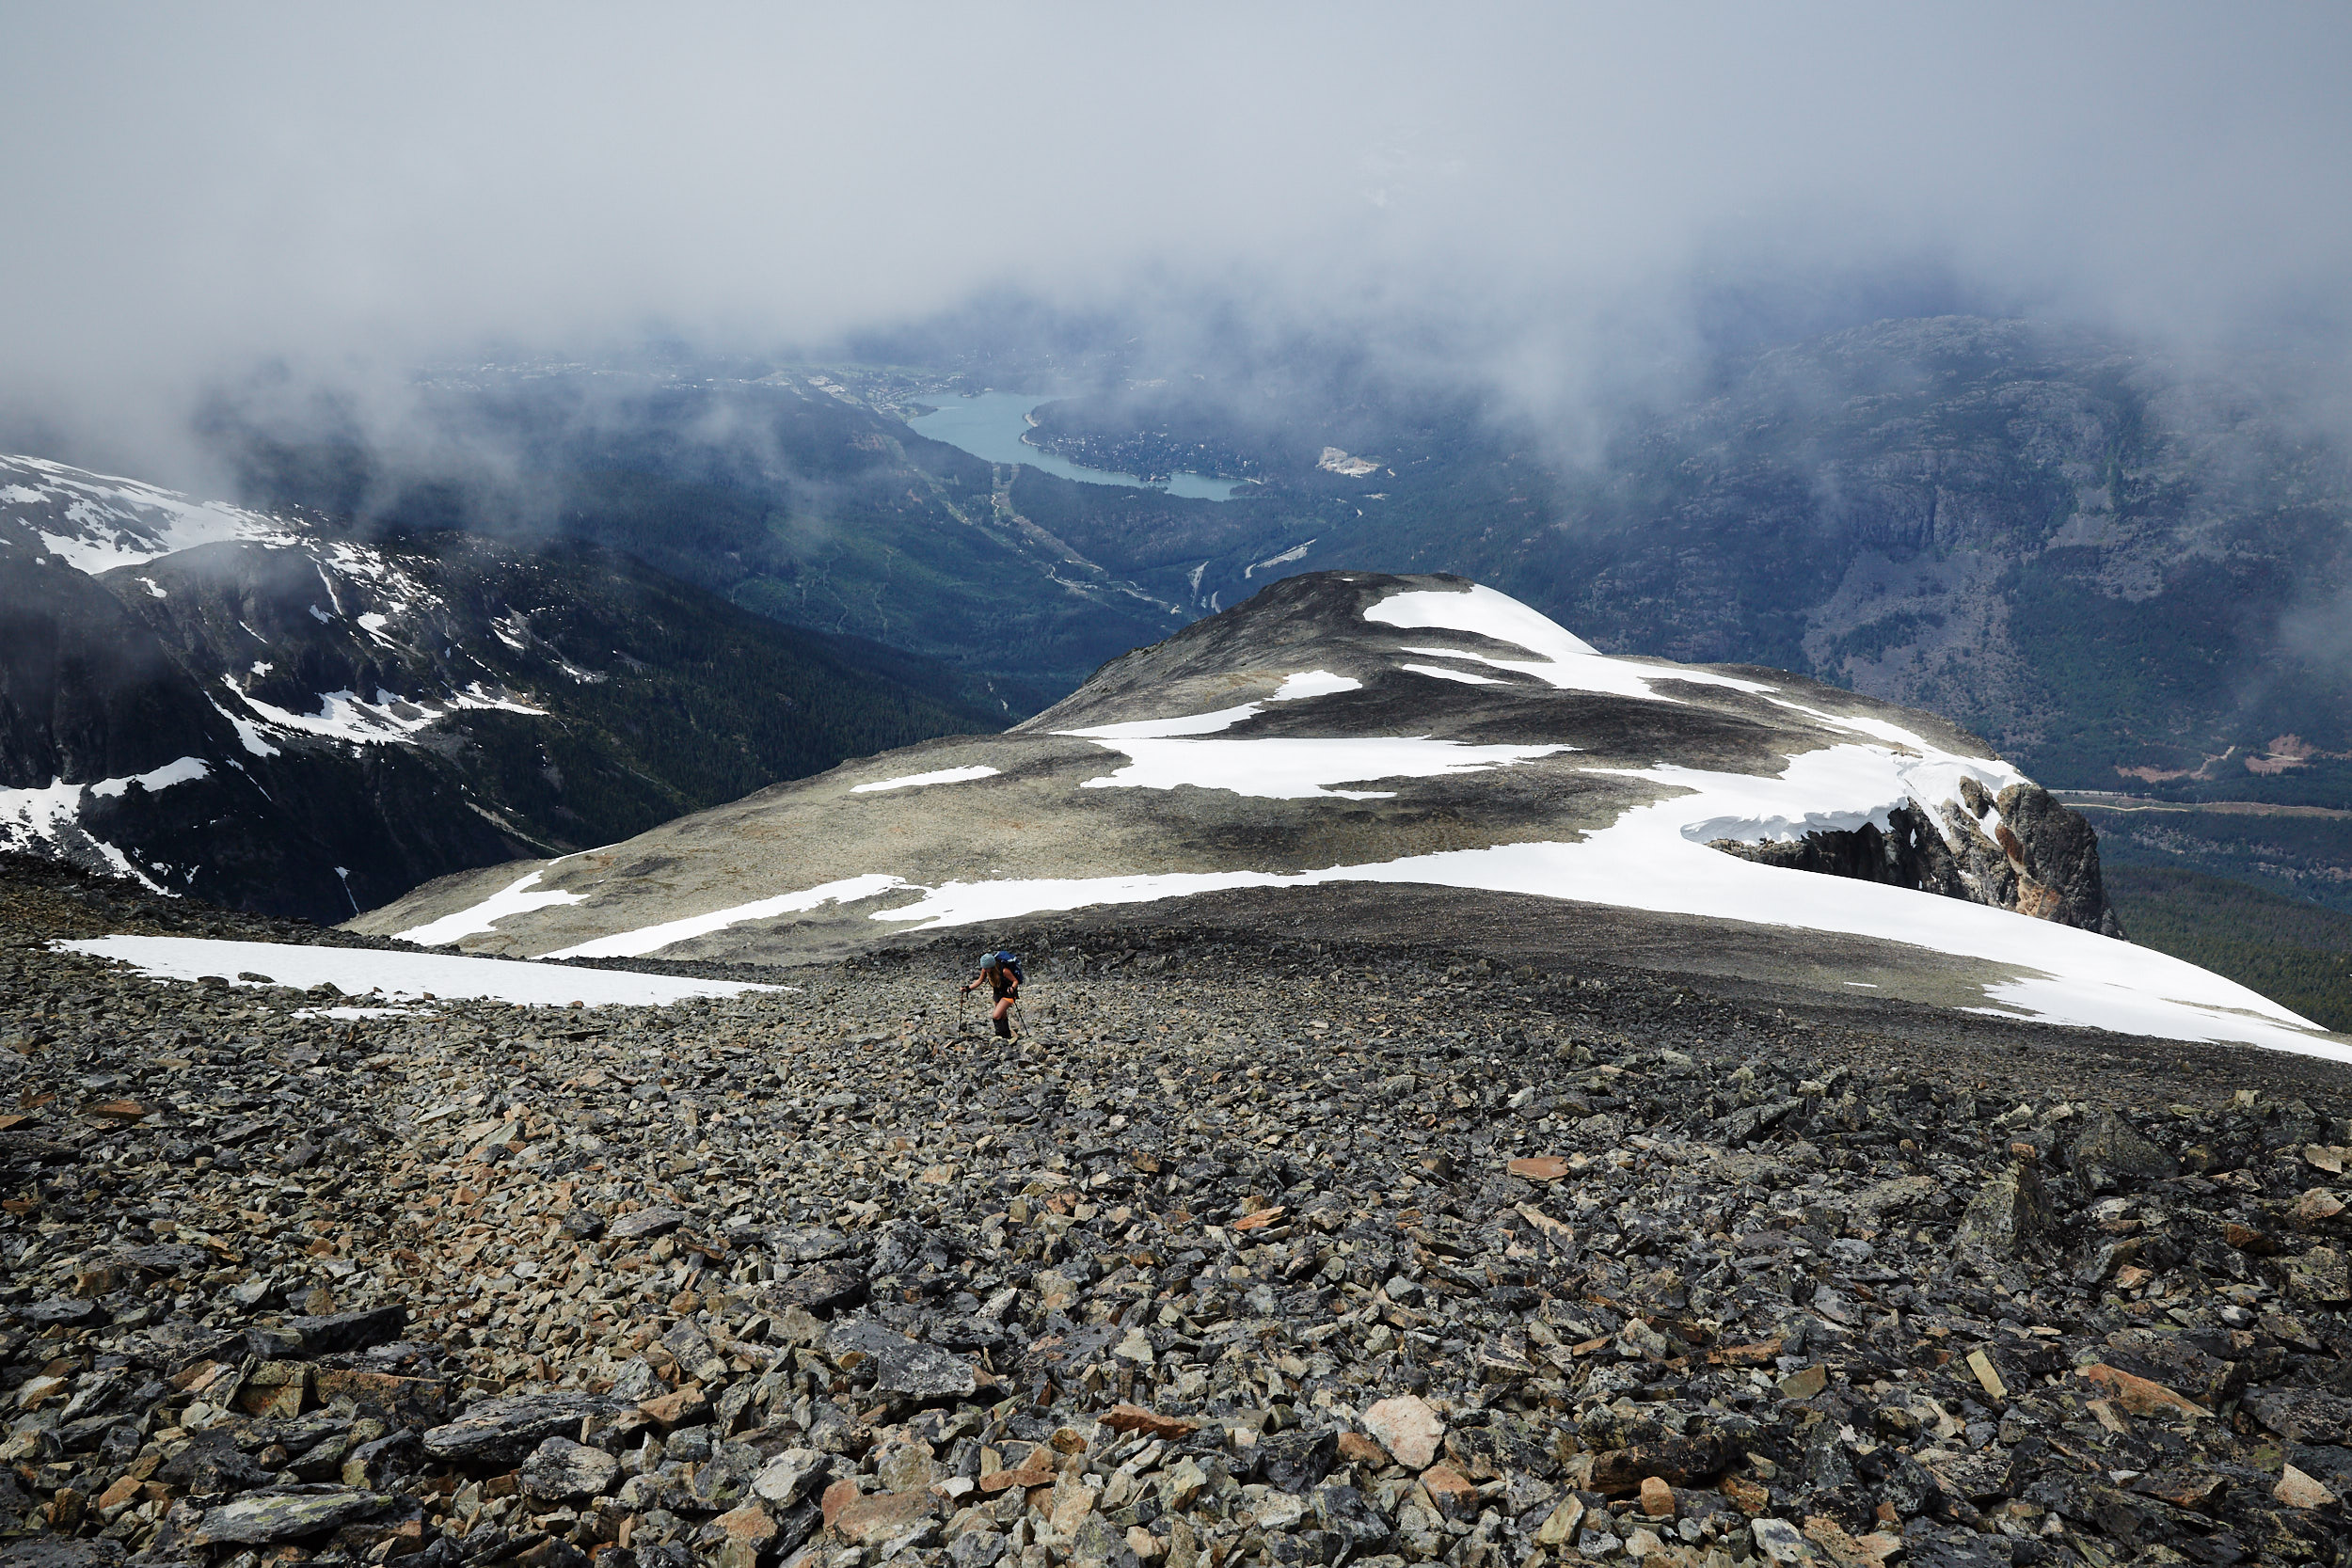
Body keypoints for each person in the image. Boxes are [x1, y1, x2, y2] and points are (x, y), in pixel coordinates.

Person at [962, 949, 1024, 1038]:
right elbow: (980, 981)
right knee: (1002, 1015)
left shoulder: (1004, 970)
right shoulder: (985, 970)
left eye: (986, 968)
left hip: (1008, 993)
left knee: (996, 1015)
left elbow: (1015, 981)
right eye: (984, 968)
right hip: (997, 993)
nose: (985, 970)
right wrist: (968, 988)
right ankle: (1006, 1037)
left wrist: (1012, 988)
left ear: (992, 966)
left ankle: (998, 1035)